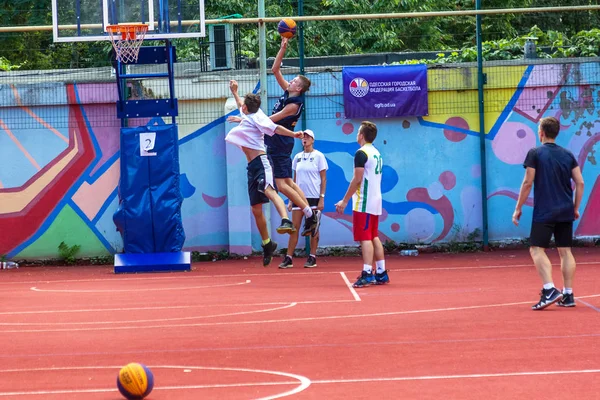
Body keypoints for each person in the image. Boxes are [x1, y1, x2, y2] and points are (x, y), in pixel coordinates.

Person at [225, 80, 303, 267]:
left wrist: (294, 135)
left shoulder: (259, 118)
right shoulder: (250, 115)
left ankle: (286, 220)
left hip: (261, 163)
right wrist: (235, 92)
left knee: (269, 190)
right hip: (251, 167)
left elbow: (276, 128)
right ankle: (267, 243)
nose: (240, 106)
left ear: (245, 108)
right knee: (255, 209)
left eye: (242, 104)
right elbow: (241, 107)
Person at [512, 116, 584, 310]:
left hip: (545, 210)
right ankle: (568, 294)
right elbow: (580, 182)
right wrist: (575, 207)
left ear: (541, 132)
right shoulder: (568, 155)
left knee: (536, 249)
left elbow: (528, 182)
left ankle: (550, 289)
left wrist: (518, 208)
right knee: (565, 251)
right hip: (565, 210)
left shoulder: (535, 153)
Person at [269, 37, 321, 238]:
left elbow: (272, 120)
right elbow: (275, 69)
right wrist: (282, 48)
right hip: (278, 140)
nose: (290, 81)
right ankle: (310, 213)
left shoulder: (293, 104)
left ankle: (309, 214)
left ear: (298, 88)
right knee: (289, 183)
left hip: (280, 142)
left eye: (294, 81)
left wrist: (250, 121)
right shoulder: (288, 93)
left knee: (281, 185)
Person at [334, 121, 389, 287]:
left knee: (365, 238)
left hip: (364, 201)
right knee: (373, 236)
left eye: (358, 132)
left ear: (362, 135)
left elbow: (357, 179)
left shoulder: (361, 153)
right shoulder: (376, 152)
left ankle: (367, 273)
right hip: (375, 199)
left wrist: (344, 200)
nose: (357, 134)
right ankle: (381, 272)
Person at [279, 129, 328, 269]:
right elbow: (293, 181)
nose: (305, 139)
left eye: (308, 137)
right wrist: (290, 199)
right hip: (298, 198)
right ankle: (289, 258)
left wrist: (321, 198)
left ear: (313, 140)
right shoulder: (297, 157)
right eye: (303, 137)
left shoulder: (319, 156)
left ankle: (312, 257)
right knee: (293, 228)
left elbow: (324, 179)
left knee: (313, 228)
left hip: (313, 198)